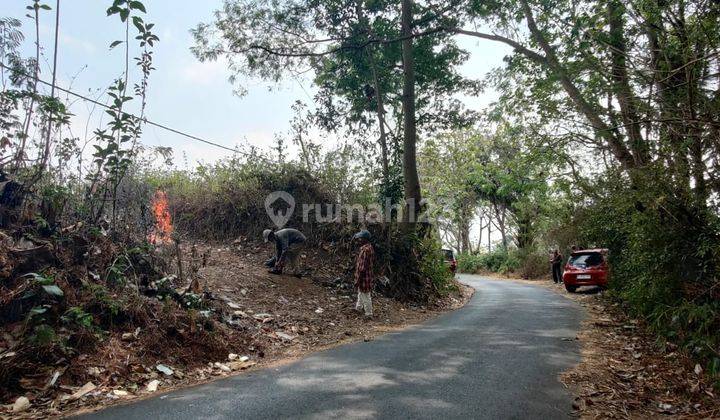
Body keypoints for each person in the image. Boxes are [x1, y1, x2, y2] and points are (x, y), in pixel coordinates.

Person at [353, 229, 375, 318]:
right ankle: (358, 308)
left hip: (364, 277)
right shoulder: (369, 247)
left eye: (360, 238)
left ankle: (369, 314)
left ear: (364, 239)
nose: (358, 240)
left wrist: (358, 280)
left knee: (365, 295)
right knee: (361, 293)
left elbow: (362, 268)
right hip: (366, 276)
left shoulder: (365, 250)